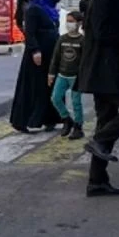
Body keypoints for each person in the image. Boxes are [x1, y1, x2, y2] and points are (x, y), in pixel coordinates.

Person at [78, 0, 119, 197]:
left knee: (106, 121)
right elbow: (102, 33)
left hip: (113, 73)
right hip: (104, 73)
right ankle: (99, 140)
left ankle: (97, 181)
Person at [9, 0, 65, 133]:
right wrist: (35, 50)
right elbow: (30, 32)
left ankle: (50, 118)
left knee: (50, 85)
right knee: (34, 86)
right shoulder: (33, 10)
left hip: (51, 53)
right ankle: (23, 120)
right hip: (38, 54)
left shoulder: (51, 10)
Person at [49, 9, 86, 140]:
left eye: (72, 22)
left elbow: (85, 60)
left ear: (79, 23)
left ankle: (78, 126)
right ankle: (66, 119)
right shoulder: (62, 39)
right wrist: (51, 73)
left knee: (76, 102)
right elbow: (56, 57)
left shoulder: (82, 40)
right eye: (67, 21)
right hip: (62, 74)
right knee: (55, 98)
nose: (69, 24)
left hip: (76, 76)